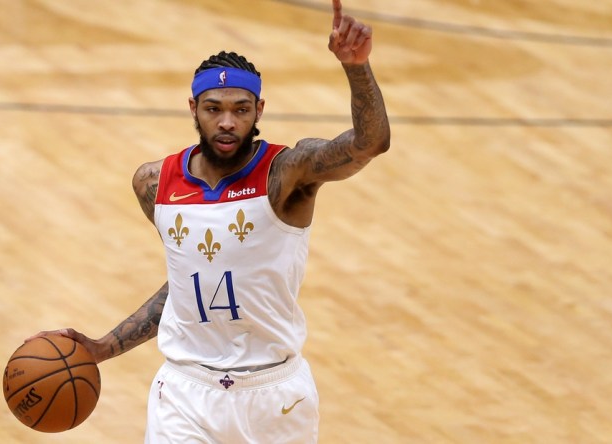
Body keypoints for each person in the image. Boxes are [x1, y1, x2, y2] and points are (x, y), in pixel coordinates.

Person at [30, 0, 389, 442]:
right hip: (185, 394)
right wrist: (105, 347)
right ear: (192, 108)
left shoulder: (288, 173)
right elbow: (188, 282)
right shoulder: (154, 184)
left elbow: (369, 144)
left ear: (259, 110)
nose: (226, 122)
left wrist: (357, 67)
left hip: (275, 398)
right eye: (213, 108)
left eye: (240, 110)